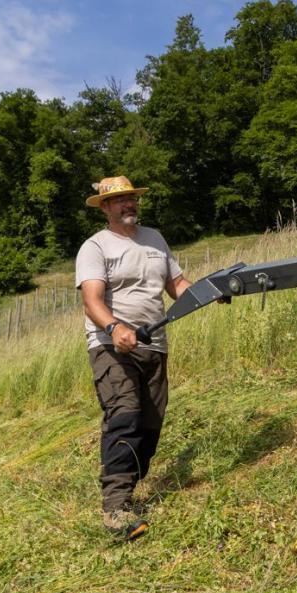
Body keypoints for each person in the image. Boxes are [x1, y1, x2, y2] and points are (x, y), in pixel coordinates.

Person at [75, 176, 192, 541]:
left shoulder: (155, 239)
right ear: (105, 208)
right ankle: (115, 507)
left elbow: (178, 287)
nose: (128, 205)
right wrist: (114, 328)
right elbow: (92, 301)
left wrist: (209, 292)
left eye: (131, 199)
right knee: (125, 414)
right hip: (112, 345)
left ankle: (128, 481)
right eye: (119, 201)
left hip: (153, 344)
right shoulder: (95, 247)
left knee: (151, 424)